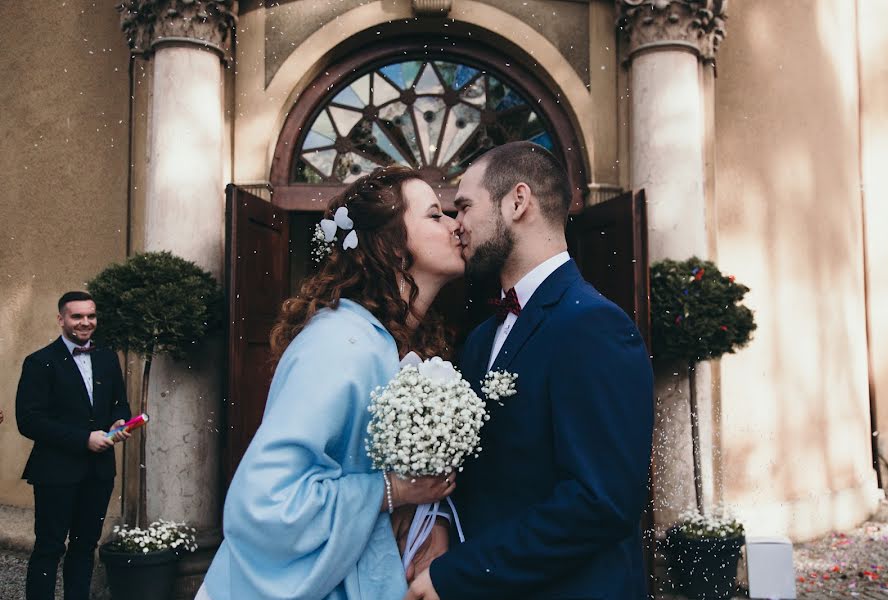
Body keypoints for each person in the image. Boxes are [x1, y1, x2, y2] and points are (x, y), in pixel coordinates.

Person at [198, 166, 467, 600]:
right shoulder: (339, 345)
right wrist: (393, 491)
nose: (457, 225)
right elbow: (266, 502)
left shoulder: (396, 340)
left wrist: (431, 516)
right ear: (394, 248)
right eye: (435, 215)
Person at [405, 141, 655, 600]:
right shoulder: (483, 337)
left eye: (464, 207)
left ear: (518, 202)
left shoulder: (593, 326)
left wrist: (458, 574)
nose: (456, 226)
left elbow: (599, 503)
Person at [16, 290, 132, 600]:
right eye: (77, 316)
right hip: (56, 472)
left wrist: (118, 423)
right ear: (61, 319)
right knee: (49, 548)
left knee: (85, 547)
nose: (85, 322)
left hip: (99, 472)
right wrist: (84, 439)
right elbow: (28, 421)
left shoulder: (108, 358)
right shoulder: (39, 362)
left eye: (91, 316)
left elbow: (120, 405)